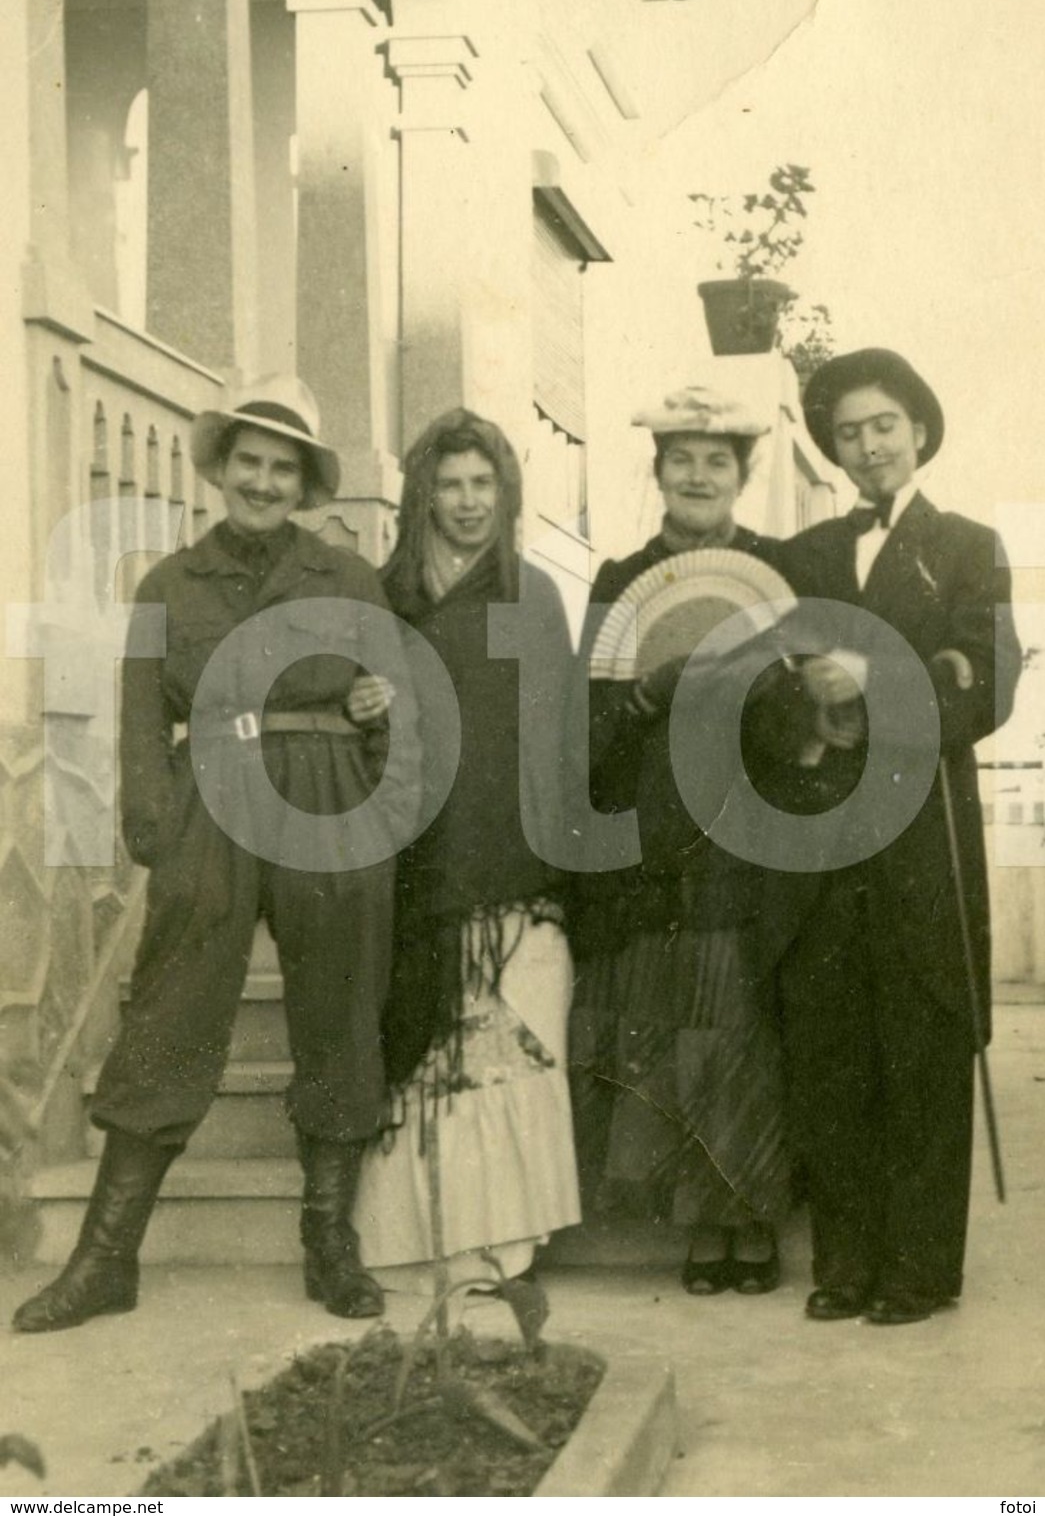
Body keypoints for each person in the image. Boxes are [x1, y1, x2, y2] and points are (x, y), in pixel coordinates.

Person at [13, 376, 421, 1333]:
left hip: (328, 794)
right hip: (216, 794)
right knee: (170, 1009)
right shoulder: (169, 584)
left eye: (284, 468)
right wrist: (157, 828)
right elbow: (143, 715)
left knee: (338, 1004)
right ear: (222, 469)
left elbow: (391, 703)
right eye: (250, 462)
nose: (264, 481)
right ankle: (107, 1257)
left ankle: (331, 1244)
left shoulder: (345, 578)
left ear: (306, 481)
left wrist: (375, 817)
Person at [764, 348, 1022, 1325]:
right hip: (826, 835)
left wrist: (871, 682)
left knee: (919, 1041)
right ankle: (845, 1263)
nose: (866, 444)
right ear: (830, 450)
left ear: (916, 430)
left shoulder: (965, 545)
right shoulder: (804, 558)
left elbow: (987, 680)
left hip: (922, 838)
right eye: (847, 432)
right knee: (832, 1045)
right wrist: (803, 708)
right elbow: (759, 686)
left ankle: (916, 1269)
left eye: (883, 424)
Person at [567, 384, 793, 1296]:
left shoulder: (774, 571)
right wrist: (646, 696)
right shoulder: (621, 580)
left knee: (741, 1026)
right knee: (670, 1029)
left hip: (748, 832)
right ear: (656, 471)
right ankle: (700, 1226)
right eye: (680, 459)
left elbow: (797, 694)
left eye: (716, 461)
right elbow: (590, 719)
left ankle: (753, 1217)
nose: (697, 475)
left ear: (741, 476)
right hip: (656, 832)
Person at [352, 407, 581, 1285]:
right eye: (448, 484)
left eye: (482, 483)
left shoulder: (531, 595)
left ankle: (503, 1245)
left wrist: (550, 860)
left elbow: (557, 738)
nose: (466, 501)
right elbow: (355, 711)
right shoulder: (385, 594)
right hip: (413, 858)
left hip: (510, 868)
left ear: (506, 492)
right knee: (422, 1050)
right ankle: (417, 1243)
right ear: (421, 495)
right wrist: (358, 706)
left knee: (508, 1049)